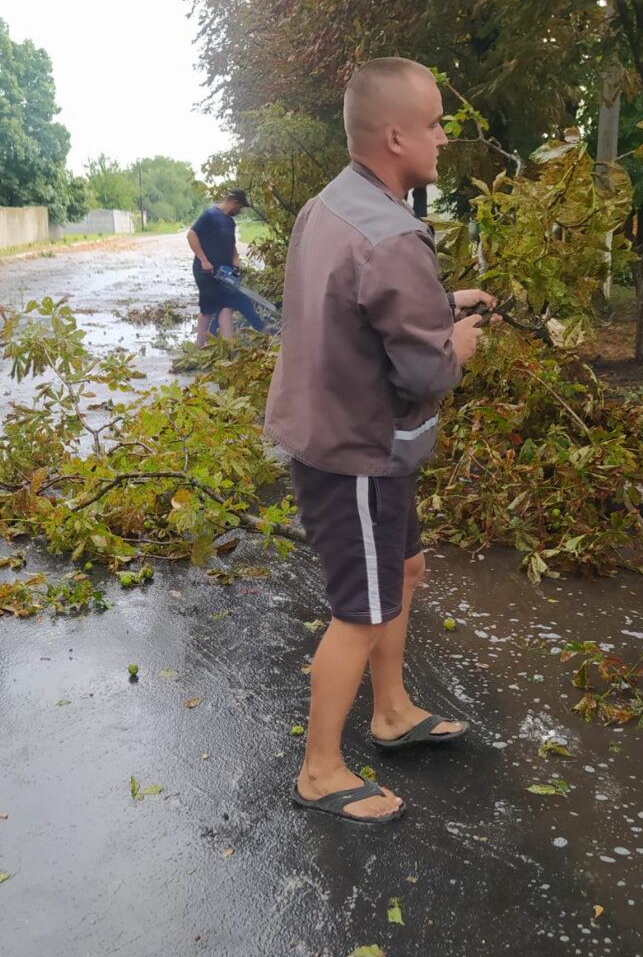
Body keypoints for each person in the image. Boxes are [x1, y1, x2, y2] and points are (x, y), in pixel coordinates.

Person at [264, 57, 497, 824]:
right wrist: (457, 339)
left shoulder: (332, 206)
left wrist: (443, 301)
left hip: (347, 437)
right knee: (362, 608)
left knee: (405, 568)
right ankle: (321, 771)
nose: (442, 137)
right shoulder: (393, 233)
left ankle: (391, 712)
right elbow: (426, 371)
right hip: (357, 450)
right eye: (433, 124)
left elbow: (353, 308)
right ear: (396, 135)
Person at [186, 189, 262, 345]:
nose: (239, 211)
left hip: (225, 273)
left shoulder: (230, 222)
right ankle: (199, 346)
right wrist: (203, 259)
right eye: (240, 207)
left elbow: (232, 244)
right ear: (234, 202)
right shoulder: (210, 216)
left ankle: (229, 346)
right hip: (206, 271)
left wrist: (236, 258)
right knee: (208, 311)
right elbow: (191, 235)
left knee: (227, 306)